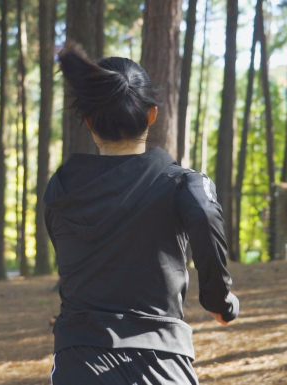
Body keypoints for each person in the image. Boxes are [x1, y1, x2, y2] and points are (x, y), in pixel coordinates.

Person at [45, 42, 239, 385]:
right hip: (161, 363)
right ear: (152, 114)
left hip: (78, 362)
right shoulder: (183, 184)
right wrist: (219, 301)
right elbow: (206, 214)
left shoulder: (60, 189)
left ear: (88, 121)